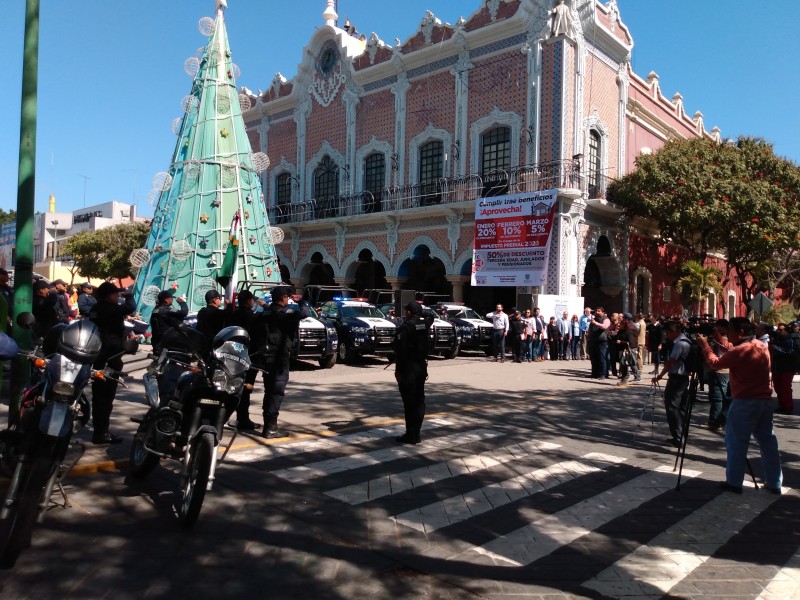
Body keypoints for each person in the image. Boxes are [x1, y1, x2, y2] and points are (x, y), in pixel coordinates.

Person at [696, 317, 783, 494]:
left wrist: (705, 346)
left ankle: (734, 482)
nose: (727, 333)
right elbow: (733, 350)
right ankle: (774, 483)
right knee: (768, 443)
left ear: (740, 333)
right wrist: (718, 339)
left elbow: (716, 364)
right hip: (764, 400)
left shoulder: (741, 350)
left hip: (745, 401)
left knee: (736, 442)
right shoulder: (760, 345)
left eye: (729, 330)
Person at [252, 286, 311, 438]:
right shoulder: (283, 314)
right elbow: (305, 313)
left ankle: (269, 426)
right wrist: (302, 302)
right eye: (287, 297)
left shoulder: (266, 312)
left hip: (266, 357)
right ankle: (271, 428)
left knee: (269, 391)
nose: (288, 299)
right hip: (279, 357)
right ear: (283, 298)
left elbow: (269, 310)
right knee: (276, 392)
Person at [89, 281, 136, 444]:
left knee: (97, 396)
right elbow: (130, 307)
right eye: (116, 294)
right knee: (106, 398)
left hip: (96, 356)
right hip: (110, 358)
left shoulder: (95, 308)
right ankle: (101, 432)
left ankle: (98, 430)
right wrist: (129, 296)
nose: (118, 296)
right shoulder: (112, 308)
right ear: (110, 295)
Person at [393, 301, 431, 444]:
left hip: (408, 369)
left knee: (409, 404)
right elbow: (431, 316)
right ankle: (417, 433)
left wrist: (398, 372)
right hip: (421, 367)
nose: (405, 313)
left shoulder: (405, 328)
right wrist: (421, 312)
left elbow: (400, 353)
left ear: (409, 312)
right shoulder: (425, 324)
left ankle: (411, 434)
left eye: (407, 311)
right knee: (419, 401)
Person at [652, 321, 692, 447]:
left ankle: (678, 436)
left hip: (677, 377)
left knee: (672, 406)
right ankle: (681, 434)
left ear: (674, 331)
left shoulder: (679, 344)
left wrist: (660, 376)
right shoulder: (688, 341)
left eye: (667, 333)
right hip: (684, 377)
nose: (667, 336)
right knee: (680, 407)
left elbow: (671, 362)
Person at [226, 290, 262, 430]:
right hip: (248, 356)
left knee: (232, 386)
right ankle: (243, 419)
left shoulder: (233, 315)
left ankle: (228, 415)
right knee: (245, 388)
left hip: (232, 354)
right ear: (248, 301)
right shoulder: (252, 317)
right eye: (252, 300)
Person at [704, 319, 730, 430]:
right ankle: (721, 420)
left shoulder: (725, 340)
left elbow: (721, 349)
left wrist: (705, 345)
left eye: (718, 327)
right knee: (721, 398)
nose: (716, 329)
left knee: (717, 398)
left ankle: (715, 422)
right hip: (721, 371)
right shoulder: (720, 339)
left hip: (720, 371)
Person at [769, 323, 796, 415]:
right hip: (777, 368)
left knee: (785, 388)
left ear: (785, 330)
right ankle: (782, 405)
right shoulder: (776, 339)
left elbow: (790, 352)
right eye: (778, 329)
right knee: (778, 388)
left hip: (787, 368)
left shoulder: (790, 340)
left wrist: (777, 348)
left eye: (781, 329)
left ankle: (788, 406)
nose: (779, 331)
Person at [615, 313, 641, 386]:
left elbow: (631, 341)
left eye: (623, 318)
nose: (621, 319)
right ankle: (624, 379)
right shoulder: (626, 327)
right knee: (624, 364)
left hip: (628, 349)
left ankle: (626, 379)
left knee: (625, 363)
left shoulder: (630, 328)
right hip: (623, 348)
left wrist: (621, 342)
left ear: (626, 319)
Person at [587, 307, 610, 378]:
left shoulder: (606, 319)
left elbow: (605, 326)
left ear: (603, 312)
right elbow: (590, 329)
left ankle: (603, 374)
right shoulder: (594, 319)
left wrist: (595, 323)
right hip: (593, 341)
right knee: (594, 358)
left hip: (602, 341)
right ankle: (594, 373)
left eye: (599, 311)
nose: (597, 312)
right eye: (596, 311)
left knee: (602, 357)